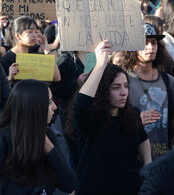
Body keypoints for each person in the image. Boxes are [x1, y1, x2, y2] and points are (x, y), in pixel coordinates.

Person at [65, 40, 151, 195]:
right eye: (116, 88)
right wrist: (100, 65)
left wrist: (147, 165)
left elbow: (143, 140)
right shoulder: (90, 120)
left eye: (126, 86)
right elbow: (82, 103)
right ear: (101, 91)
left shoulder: (132, 115)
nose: (124, 92)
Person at [0, 79, 76, 195]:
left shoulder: (47, 135)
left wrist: (49, 148)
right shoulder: (0, 141)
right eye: (48, 102)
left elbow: (69, 185)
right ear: (32, 106)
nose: (54, 107)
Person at [116, 23, 174, 159]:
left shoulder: (168, 81)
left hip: (163, 158)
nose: (150, 47)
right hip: (132, 159)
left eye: (154, 43)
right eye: (144, 43)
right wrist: (136, 121)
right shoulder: (123, 81)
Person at [0, 16, 60, 87]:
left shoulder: (37, 53)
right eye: (30, 32)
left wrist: (45, 48)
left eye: (36, 31)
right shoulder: (6, 59)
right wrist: (9, 78)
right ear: (18, 36)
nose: (35, 35)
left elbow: (56, 77)